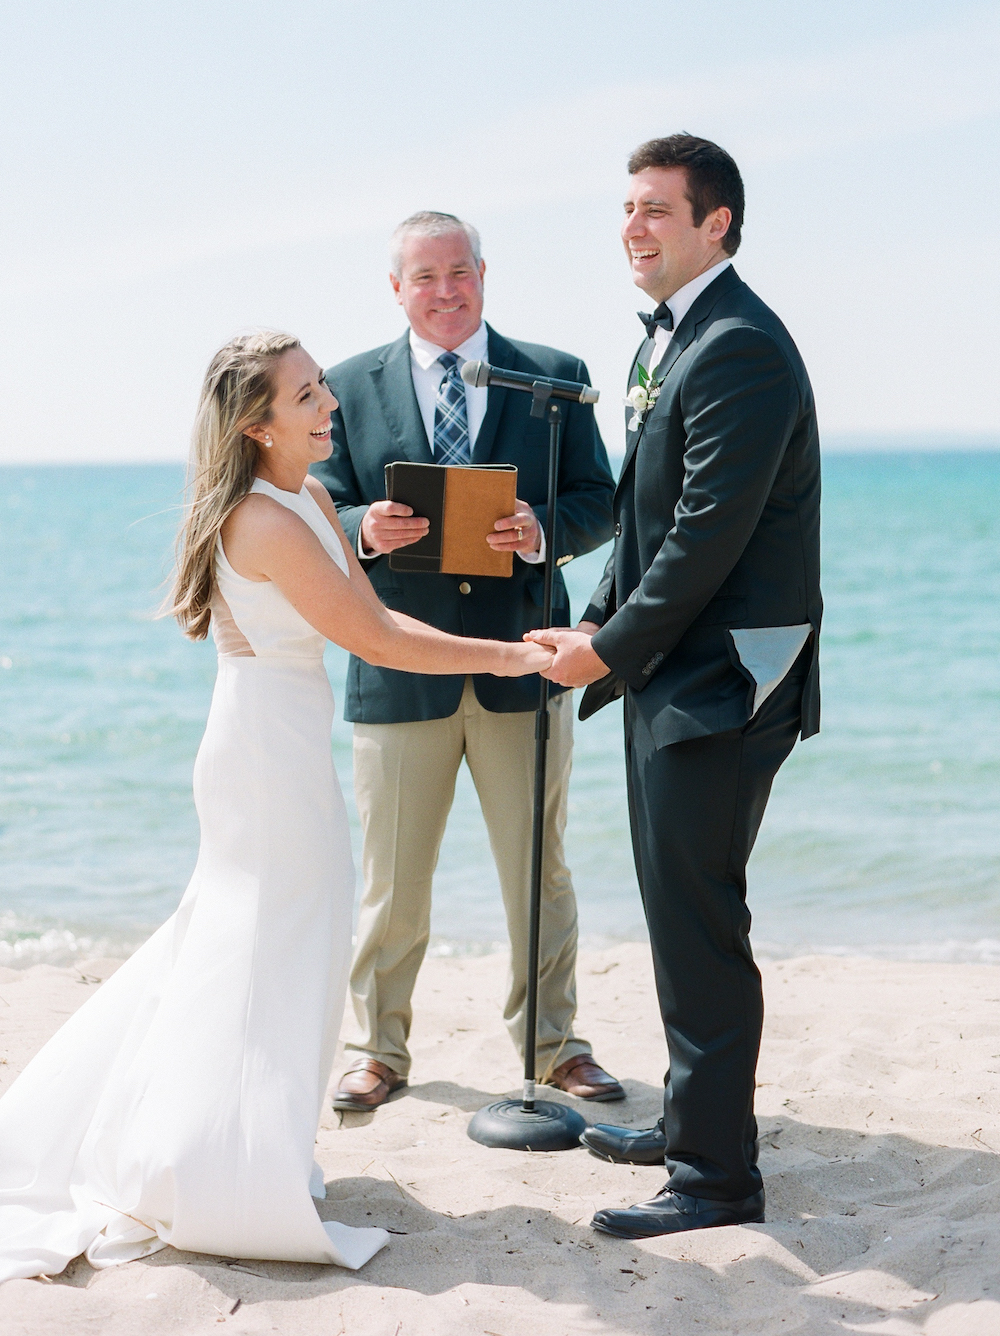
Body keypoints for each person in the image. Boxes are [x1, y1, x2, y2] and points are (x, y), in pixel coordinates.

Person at [0, 331, 553, 1284]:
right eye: (306, 396)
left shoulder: (312, 497)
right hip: (260, 753)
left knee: (278, 941)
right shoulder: (261, 521)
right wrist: (506, 655)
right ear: (260, 426)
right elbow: (375, 640)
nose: (329, 403)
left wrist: (500, 648)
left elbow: (377, 619)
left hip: (288, 742)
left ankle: (243, 1147)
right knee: (264, 945)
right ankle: (221, 1169)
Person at [529, 135, 822, 1238]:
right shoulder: (679, 338)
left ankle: (714, 1181)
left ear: (718, 225)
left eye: (657, 209)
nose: (633, 228)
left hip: (727, 680)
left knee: (700, 920)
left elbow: (706, 536)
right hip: (672, 667)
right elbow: (647, 519)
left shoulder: (738, 345)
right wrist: (599, 616)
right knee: (675, 908)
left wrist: (601, 654)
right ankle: (692, 1124)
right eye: (627, 208)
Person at [313, 211, 622, 1113]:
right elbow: (314, 506)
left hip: (523, 664)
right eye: (425, 276)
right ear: (396, 287)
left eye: (460, 272)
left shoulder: (554, 378)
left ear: (484, 274)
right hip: (396, 668)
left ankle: (554, 1044)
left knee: (541, 872)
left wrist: (543, 534)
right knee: (392, 881)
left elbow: (600, 501)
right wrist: (358, 528)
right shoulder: (342, 385)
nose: (445, 291)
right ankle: (378, 1050)